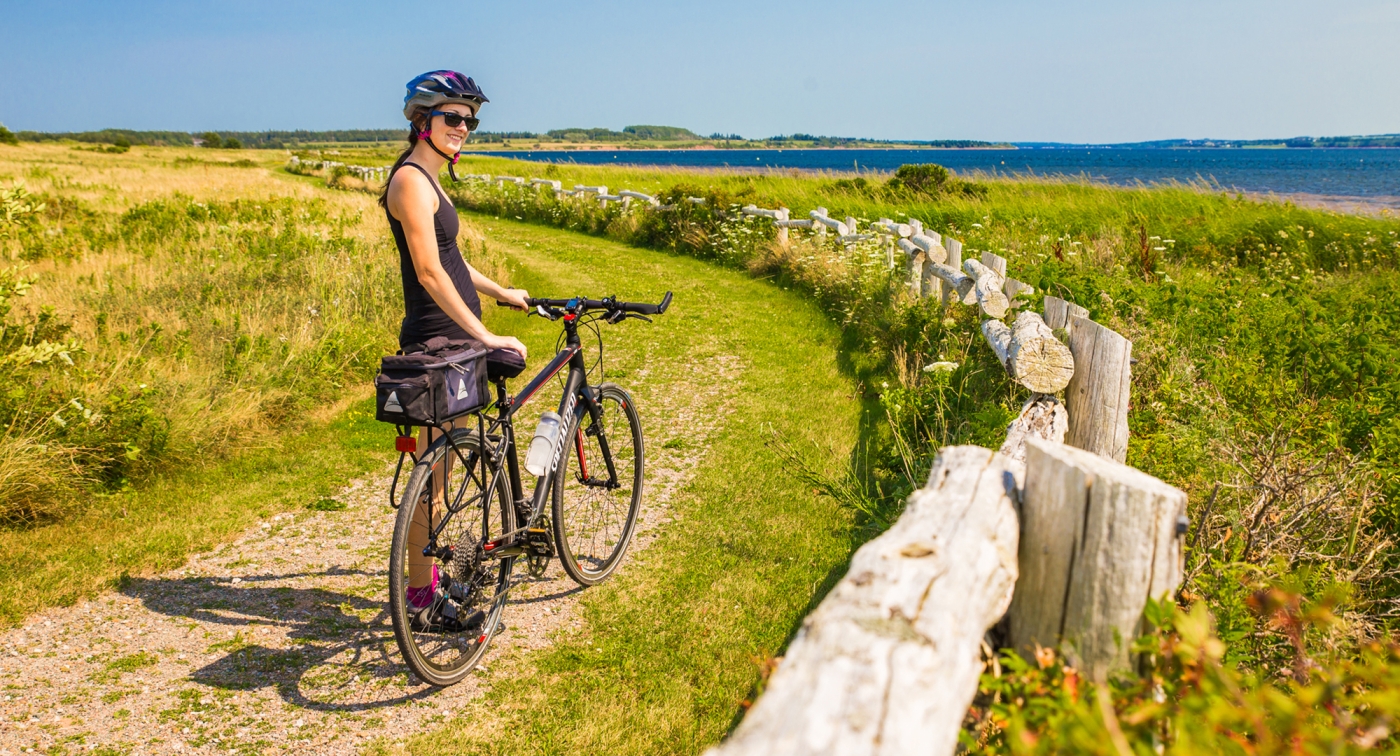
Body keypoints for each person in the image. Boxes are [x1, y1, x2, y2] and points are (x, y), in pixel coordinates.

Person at [381, 70, 527, 624]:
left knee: (446, 468)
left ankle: (440, 578)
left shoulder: (431, 180)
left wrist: (500, 291)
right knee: (432, 477)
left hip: (457, 338)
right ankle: (422, 599)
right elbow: (428, 271)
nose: (464, 127)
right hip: (435, 339)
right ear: (422, 122)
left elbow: (453, 260)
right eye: (453, 118)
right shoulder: (411, 182)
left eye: (470, 120)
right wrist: (486, 335)